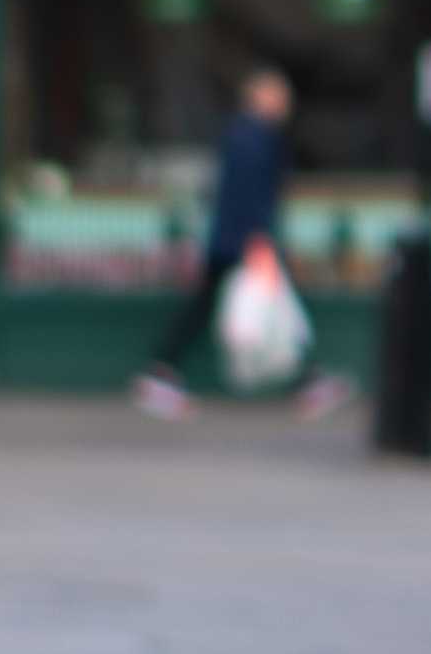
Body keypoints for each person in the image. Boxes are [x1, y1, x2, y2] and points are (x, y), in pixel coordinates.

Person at [131, 69, 327, 419]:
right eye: (276, 94)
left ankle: (160, 372)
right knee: (271, 307)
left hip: (236, 240)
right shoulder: (252, 137)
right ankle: (306, 382)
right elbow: (247, 195)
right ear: (257, 96)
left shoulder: (252, 135)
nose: (284, 102)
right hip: (245, 242)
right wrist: (259, 241)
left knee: (227, 305)